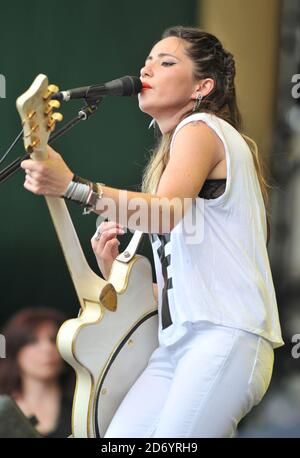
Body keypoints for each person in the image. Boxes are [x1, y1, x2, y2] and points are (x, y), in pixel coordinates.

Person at [20, 26, 284, 438]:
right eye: (147, 61)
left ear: (203, 86)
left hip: (223, 336)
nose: (147, 68)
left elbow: (163, 215)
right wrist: (116, 270)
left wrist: (72, 186)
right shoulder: (175, 154)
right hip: (178, 344)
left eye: (166, 62)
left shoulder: (201, 128)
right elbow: (176, 291)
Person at [0, 308, 74, 438]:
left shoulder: (83, 403)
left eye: (53, 340)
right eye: (33, 341)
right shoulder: (2, 408)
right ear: (15, 351)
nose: (47, 348)